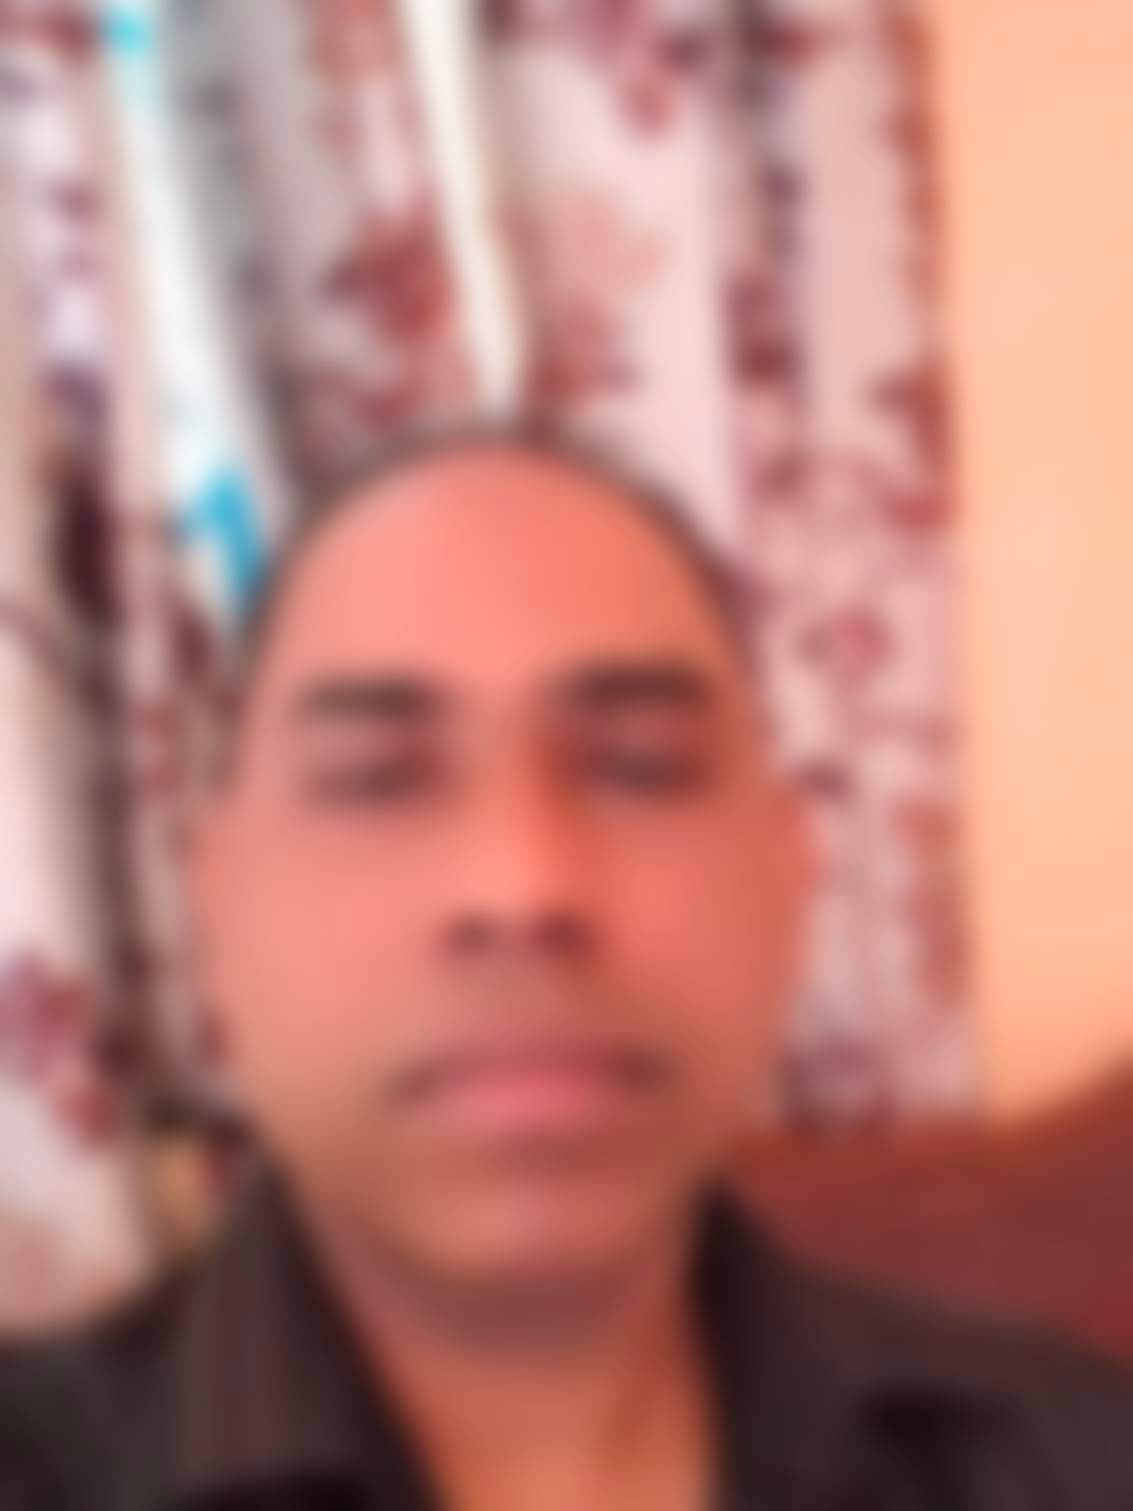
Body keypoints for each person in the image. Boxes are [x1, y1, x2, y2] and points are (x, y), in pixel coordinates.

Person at [2, 427, 1131, 1511]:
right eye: (377, 777)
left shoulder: (1077, 1455)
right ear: (217, 905)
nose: (521, 882)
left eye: (639, 766)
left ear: (788, 875)